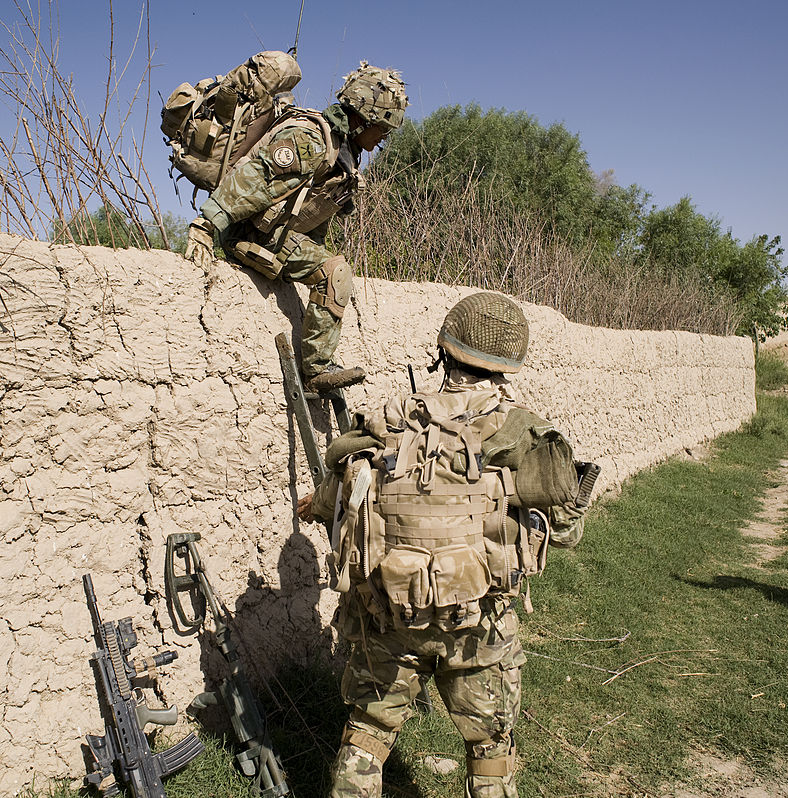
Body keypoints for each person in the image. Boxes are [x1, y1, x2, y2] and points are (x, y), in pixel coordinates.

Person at [297, 292, 592, 797]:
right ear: (509, 365)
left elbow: (331, 502)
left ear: (445, 350)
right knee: (490, 749)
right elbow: (565, 532)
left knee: (367, 737)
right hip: (479, 627)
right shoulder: (523, 435)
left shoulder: (388, 422)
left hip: (388, 619)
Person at [184, 62, 407, 394]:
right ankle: (317, 369)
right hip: (251, 234)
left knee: (331, 270)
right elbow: (254, 180)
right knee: (336, 272)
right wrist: (205, 225)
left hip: (275, 236)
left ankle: (320, 365)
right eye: (382, 131)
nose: (381, 141)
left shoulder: (343, 155)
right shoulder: (311, 139)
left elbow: (313, 217)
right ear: (362, 119)